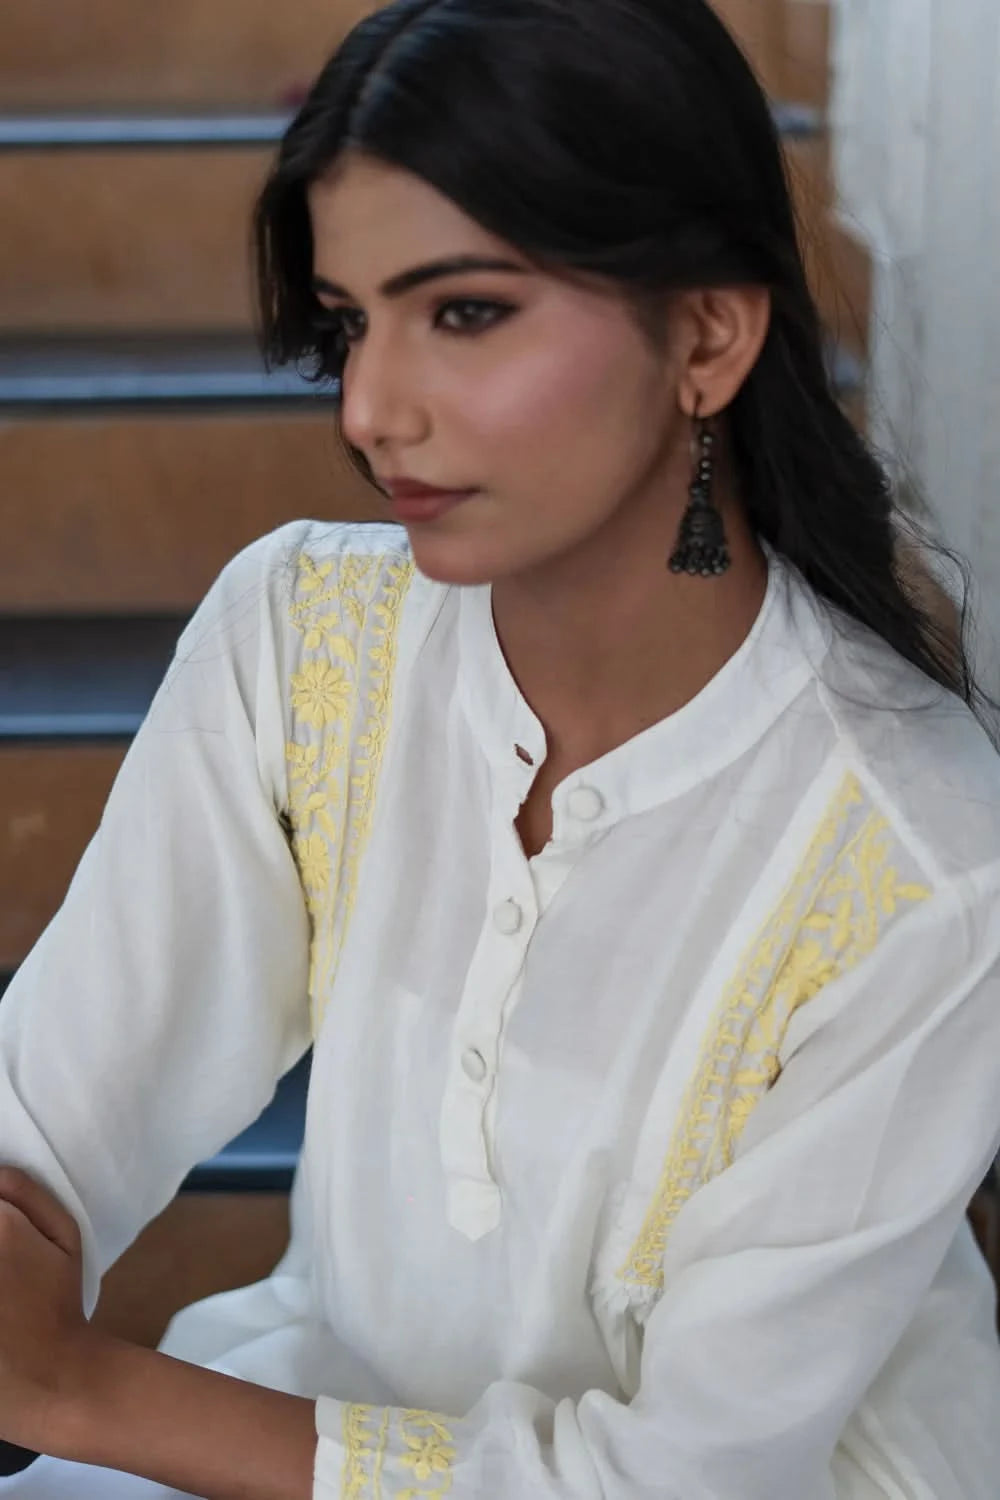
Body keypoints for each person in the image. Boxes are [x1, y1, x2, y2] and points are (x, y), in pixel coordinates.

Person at [1, 1, 999, 1495]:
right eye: (348, 321)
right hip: (330, 1423)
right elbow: (49, 1121)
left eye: (462, 311)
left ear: (709, 336)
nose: (369, 407)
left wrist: (83, 1397)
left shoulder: (926, 852)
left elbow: (677, 1478)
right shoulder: (300, 638)